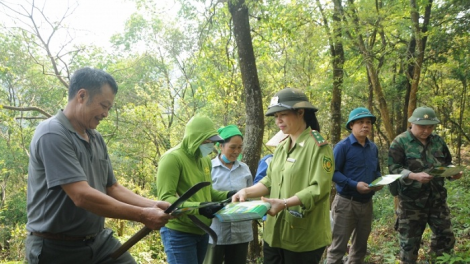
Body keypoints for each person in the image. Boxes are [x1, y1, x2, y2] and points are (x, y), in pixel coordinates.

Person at [25, 67, 172, 264]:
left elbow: (112, 187)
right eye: (104, 106)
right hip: (56, 247)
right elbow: (81, 195)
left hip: (98, 242)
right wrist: (143, 215)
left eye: (109, 108)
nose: (106, 114)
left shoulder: (95, 137)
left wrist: (153, 205)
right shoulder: (52, 133)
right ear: (82, 96)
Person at [231, 87, 334, 264]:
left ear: (300, 112)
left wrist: (285, 203)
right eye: (275, 116)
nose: (278, 121)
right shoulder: (281, 147)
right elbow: (269, 181)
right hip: (274, 233)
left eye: (283, 115)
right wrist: (246, 192)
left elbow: (319, 188)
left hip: (303, 236)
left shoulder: (318, 146)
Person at [388, 106, 463, 264]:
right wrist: (414, 176)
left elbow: (446, 163)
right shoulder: (400, 142)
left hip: (437, 201)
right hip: (411, 204)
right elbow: (394, 169)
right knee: (409, 246)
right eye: (423, 126)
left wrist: (453, 172)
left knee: (445, 238)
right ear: (413, 123)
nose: (427, 130)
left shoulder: (438, 141)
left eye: (430, 127)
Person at [156, 115, 235, 264]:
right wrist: (199, 208)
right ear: (195, 138)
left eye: (213, 142)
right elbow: (165, 199)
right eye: (208, 141)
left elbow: (207, 192)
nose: (211, 145)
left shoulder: (204, 159)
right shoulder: (172, 159)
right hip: (179, 232)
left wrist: (228, 195)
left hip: (202, 230)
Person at [326, 107, 383, 264]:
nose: (365, 125)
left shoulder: (373, 148)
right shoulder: (342, 147)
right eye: (360, 122)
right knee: (338, 247)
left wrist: (379, 182)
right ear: (351, 125)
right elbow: (332, 173)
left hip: (366, 203)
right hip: (346, 203)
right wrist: (354, 185)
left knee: (360, 247)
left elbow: (376, 171)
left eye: (368, 122)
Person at [203, 125, 253, 264]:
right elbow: (205, 196)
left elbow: (250, 194)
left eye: (240, 147)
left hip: (241, 231)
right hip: (216, 231)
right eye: (232, 147)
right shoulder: (209, 168)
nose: (237, 151)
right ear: (220, 146)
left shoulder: (244, 169)